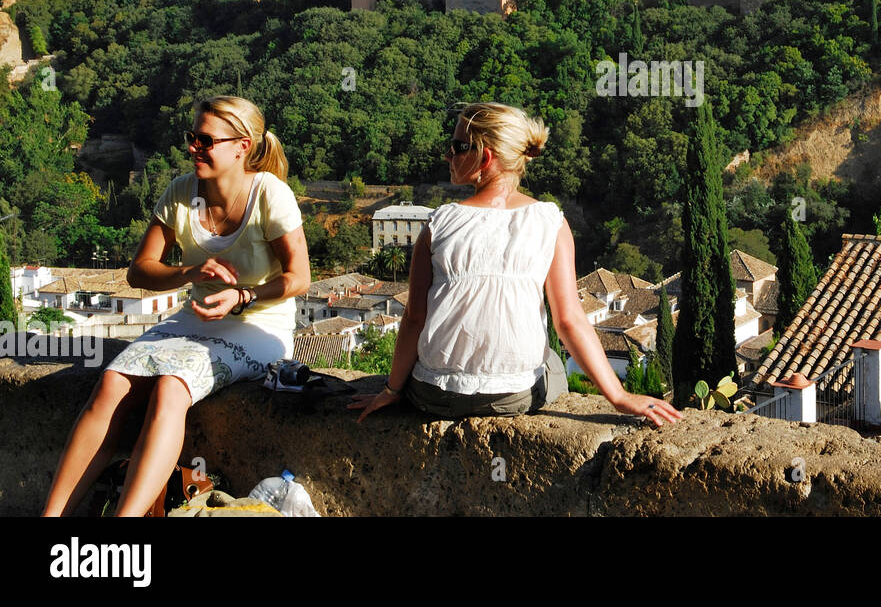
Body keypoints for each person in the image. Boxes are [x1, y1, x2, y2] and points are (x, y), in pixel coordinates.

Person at [43, 95, 310, 516]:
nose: (193, 148)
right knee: (113, 380)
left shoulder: (270, 195)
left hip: (261, 325)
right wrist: (189, 273)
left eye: (206, 140)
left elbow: (300, 278)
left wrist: (243, 295)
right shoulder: (182, 192)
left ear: (242, 145)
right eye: (192, 138)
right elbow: (140, 271)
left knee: (171, 386)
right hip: (195, 318)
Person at [349, 102, 682, 427]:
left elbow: (414, 318)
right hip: (513, 397)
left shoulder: (439, 223)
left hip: (435, 394)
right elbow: (568, 322)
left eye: (456, 146)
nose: (447, 155)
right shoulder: (550, 221)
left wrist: (392, 389)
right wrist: (620, 397)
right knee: (552, 361)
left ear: (486, 156)